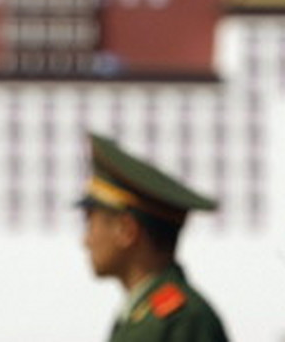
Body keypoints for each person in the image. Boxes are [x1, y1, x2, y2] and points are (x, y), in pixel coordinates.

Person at [78, 132, 229, 342]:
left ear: (126, 231)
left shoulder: (182, 321)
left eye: (90, 224)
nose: (85, 241)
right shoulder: (144, 316)